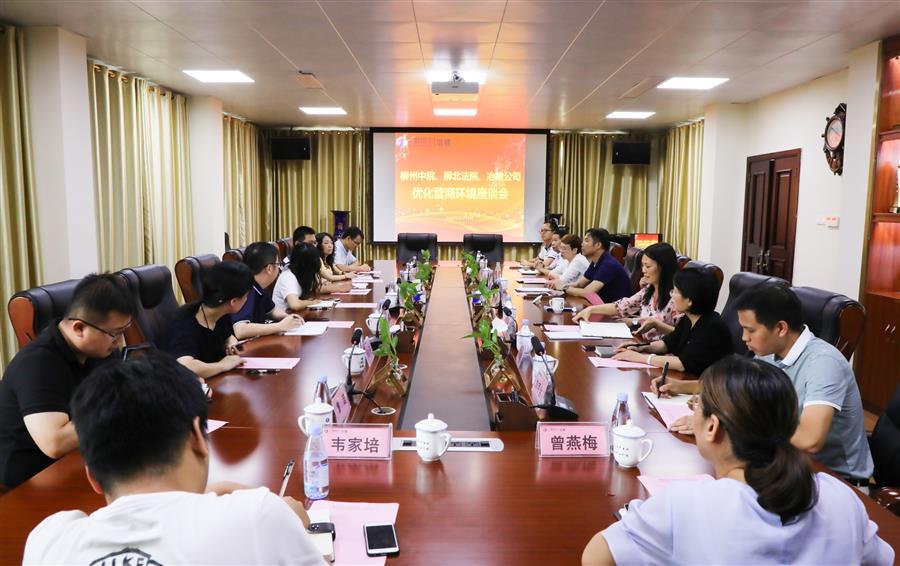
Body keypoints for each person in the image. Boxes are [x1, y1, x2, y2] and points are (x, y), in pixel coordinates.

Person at [582, 355, 894, 565]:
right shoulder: (840, 497)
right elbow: (881, 558)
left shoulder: (685, 504)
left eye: (696, 405)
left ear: (712, 426)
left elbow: (596, 557)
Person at [23, 354, 324, 565]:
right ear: (197, 437)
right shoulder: (258, 518)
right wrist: (287, 521)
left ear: (93, 477)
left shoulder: (47, 543)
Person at [655, 285, 875, 485]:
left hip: (833, 480)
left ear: (780, 328)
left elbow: (810, 439)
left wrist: (729, 426)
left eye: (750, 330)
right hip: (783, 464)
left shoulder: (824, 363)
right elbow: (735, 387)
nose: (744, 338)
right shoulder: (770, 353)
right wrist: (680, 387)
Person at [0, 274, 134, 488]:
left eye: (123, 331)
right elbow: (54, 442)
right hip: (32, 480)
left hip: (82, 457)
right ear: (79, 328)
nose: (119, 342)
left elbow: (124, 391)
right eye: (115, 333)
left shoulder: (100, 349)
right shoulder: (37, 364)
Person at [612, 267, 732, 373]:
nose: (672, 295)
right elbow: (667, 344)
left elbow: (682, 364)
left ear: (689, 300)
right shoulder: (689, 318)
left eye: (675, 292)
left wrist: (640, 358)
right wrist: (640, 347)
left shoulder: (711, 327)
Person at [572, 242, 681, 342]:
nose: (643, 270)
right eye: (642, 265)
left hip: (663, 351)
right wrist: (591, 309)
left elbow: (686, 335)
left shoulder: (677, 296)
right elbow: (623, 306)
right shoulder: (648, 290)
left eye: (648, 266)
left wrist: (657, 325)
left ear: (663, 267)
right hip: (643, 344)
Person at [162, 262, 251, 379]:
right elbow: (185, 366)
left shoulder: (220, 312)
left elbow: (228, 336)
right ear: (233, 302)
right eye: (245, 296)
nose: (246, 299)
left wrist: (231, 344)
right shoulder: (186, 323)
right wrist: (222, 365)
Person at [233, 241, 304, 340]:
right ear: (269, 268)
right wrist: (280, 326)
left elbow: (272, 311)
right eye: (278, 264)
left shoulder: (260, 288)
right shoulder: (245, 288)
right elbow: (241, 330)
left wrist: (288, 317)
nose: (279, 268)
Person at [561, 228, 631, 303]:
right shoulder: (596, 262)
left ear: (598, 245)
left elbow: (588, 292)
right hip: (600, 304)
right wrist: (559, 286)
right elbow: (579, 284)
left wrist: (564, 287)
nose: (582, 244)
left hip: (615, 308)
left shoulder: (608, 264)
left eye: (586, 241)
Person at [273, 243, 323, 312]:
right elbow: (295, 305)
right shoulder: (287, 277)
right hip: (283, 316)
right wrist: (311, 303)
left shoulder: (300, 275)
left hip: (294, 314)